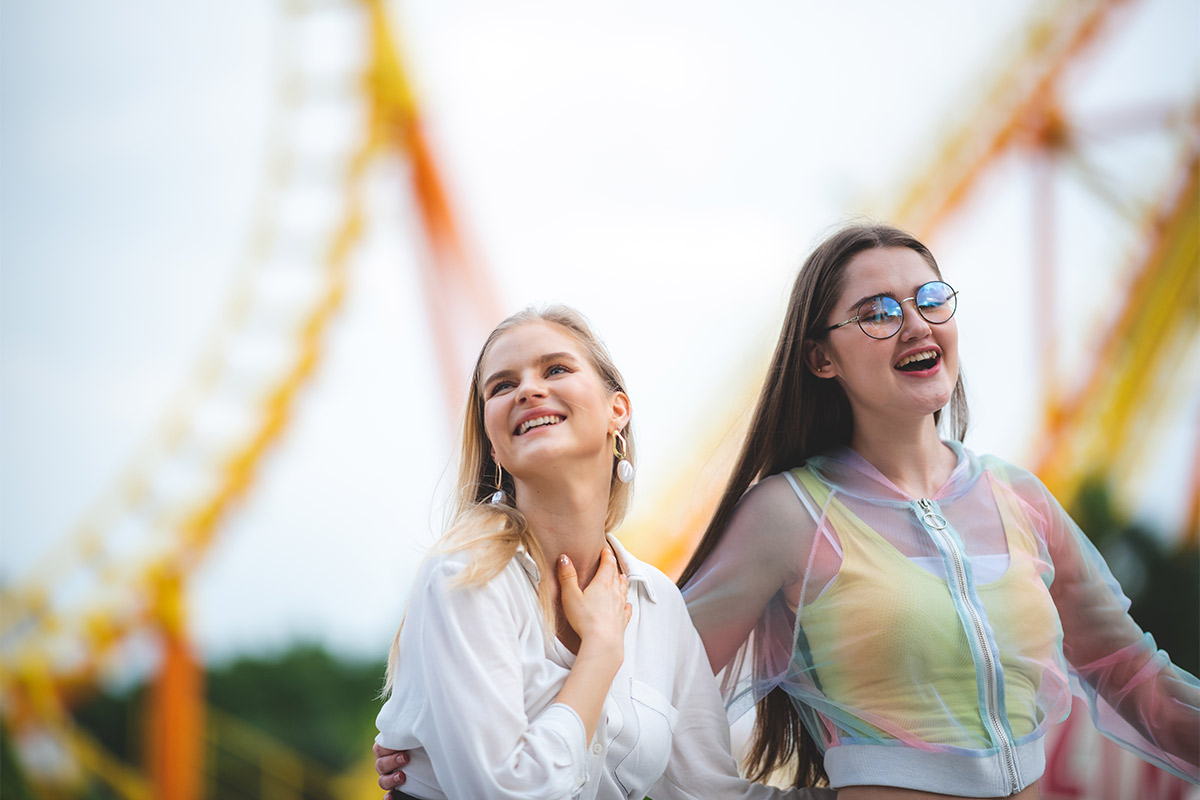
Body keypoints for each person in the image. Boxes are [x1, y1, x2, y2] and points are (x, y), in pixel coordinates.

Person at [377, 224, 1200, 798]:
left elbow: (1136, 676)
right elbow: (584, 726)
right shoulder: (786, 518)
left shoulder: (1020, 499)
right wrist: (439, 751)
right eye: (877, 311)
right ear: (821, 358)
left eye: (930, 298)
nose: (912, 321)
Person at [373, 305, 834, 799]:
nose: (528, 389)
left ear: (618, 409)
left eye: (556, 369)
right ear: (492, 444)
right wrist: (599, 653)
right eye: (502, 386)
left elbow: (711, 793)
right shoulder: (464, 576)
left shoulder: (659, 604)